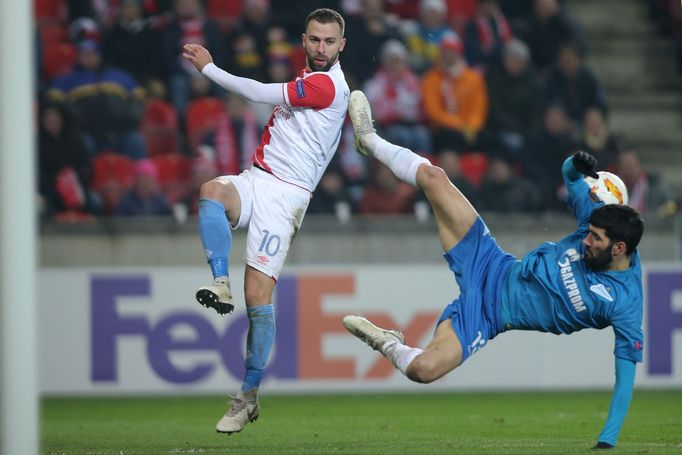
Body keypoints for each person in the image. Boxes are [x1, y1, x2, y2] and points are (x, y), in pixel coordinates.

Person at [343, 90, 644, 450]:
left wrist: (608, 440)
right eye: (590, 231)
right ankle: (369, 139)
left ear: (619, 249)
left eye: (595, 240)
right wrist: (575, 164)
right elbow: (571, 176)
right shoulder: (595, 224)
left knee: (424, 370)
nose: (586, 240)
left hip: (489, 314)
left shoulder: (625, 302)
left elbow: (625, 375)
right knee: (436, 179)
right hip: (492, 262)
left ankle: (387, 341)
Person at [181, 8, 349, 434]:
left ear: (342, 46)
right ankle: (219, 280)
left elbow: (256, 92)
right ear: (304, 39)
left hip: (287, 198)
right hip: (257, 178)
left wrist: (210, 69)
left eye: (330, 41)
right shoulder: (309, 77)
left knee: (257, 296)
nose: (321, 48)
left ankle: (248, 396)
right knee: (212, 192)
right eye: (315, 40)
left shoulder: (326, 85)